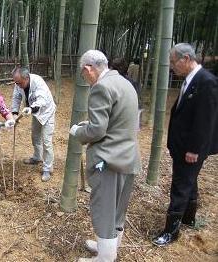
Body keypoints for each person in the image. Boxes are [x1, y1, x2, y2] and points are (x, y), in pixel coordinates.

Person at [69, 50, 141, 261]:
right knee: (118, 210)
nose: (85, 79)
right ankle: (109, 248)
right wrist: (89, 125)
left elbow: (98, 130)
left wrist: (78, 132)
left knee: (104, 211)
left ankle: (105, 257)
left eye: (84, 75)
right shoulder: (124, 82)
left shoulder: (101, 87)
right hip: (128, 156)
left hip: (107, 161)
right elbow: (116, 121)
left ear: (88, 68)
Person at [152, 43, 218, 246]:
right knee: (190, 180)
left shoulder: (206, 81)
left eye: (173, 61)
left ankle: (171, 231)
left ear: (186, 58)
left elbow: (206, 120)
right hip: (182, 145)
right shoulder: (190, 80)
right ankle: (189, 218)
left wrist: (194, 149)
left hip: (191, 148)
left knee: (180, 185)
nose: (172, 66)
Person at [11, 67, 56, 182]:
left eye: (19, 83)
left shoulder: (38, 82)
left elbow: (41, 100)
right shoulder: (18, 83)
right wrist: (15, 113)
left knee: (46, 141)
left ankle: (47, 168)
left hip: (46, 112)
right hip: (35, 113)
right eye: (16, 82)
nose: (18, 85)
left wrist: (31, 109)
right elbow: (16, 97)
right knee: (35, 136)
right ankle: (37, 157)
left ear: (26, 78)